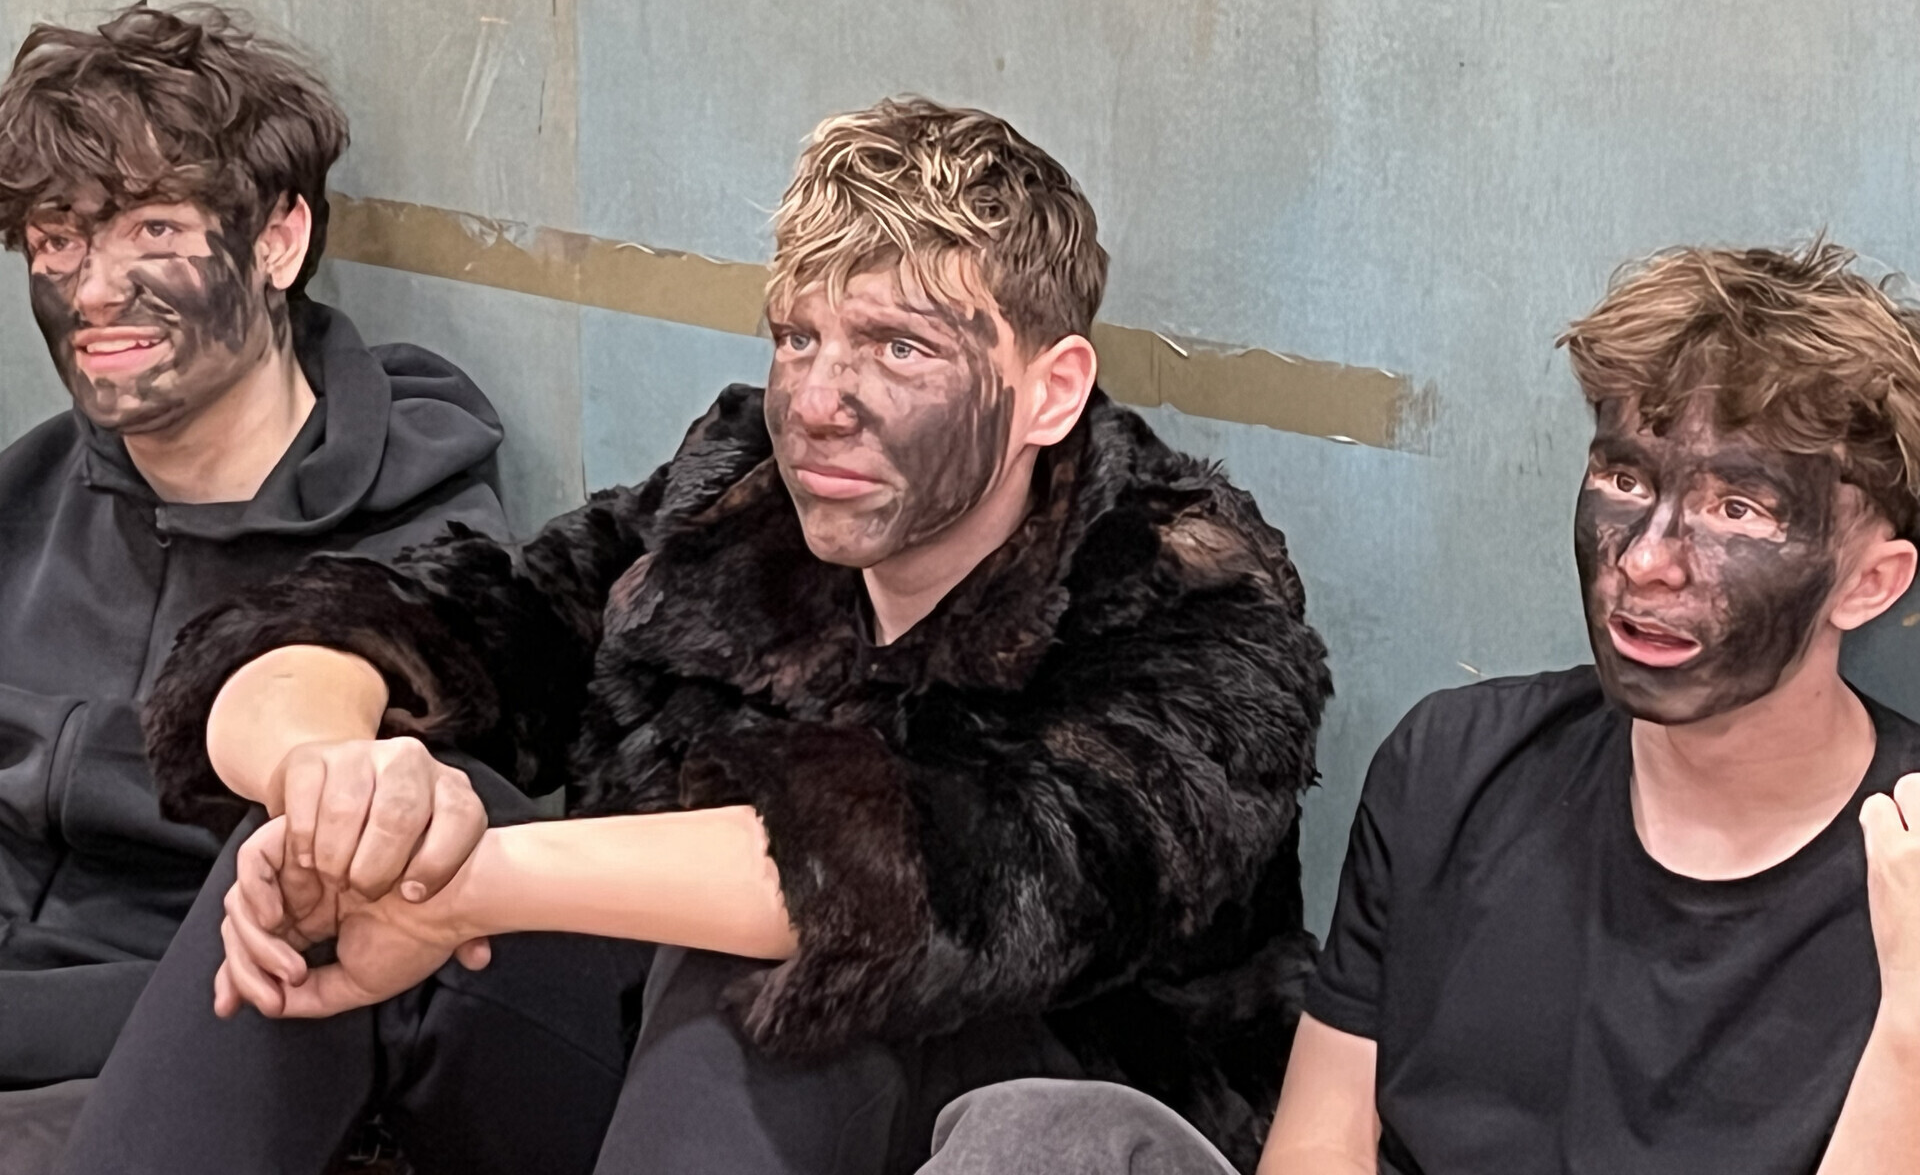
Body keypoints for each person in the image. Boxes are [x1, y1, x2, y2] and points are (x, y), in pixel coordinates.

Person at [63, 97, 1334, 1175]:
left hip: (992, 1133)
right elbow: (425, 621)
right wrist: (333, 788)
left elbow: (940, 881)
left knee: (781, 985)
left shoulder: (1188, 599)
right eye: (798, 338)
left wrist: (472, 883)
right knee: (326, 853)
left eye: (899, 347)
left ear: (1050, 389)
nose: (819, 402)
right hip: (661, 1111)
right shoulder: (739, 501)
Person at [924, 238, 1920, 1175]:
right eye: (1625, 477)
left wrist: (1910, 1036)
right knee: (1041, 1133)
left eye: (1737, 508)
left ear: (1870, 583)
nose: (1647, 559)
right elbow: (1318, 1147)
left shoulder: (1904, 861)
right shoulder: (1457, 762)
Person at [0, 2, 512, 1170]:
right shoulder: (26, 492)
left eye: (153, 228)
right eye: (56, 236)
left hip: (162, 1063)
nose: (92, 288)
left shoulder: (421, 542)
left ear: (279, 240)